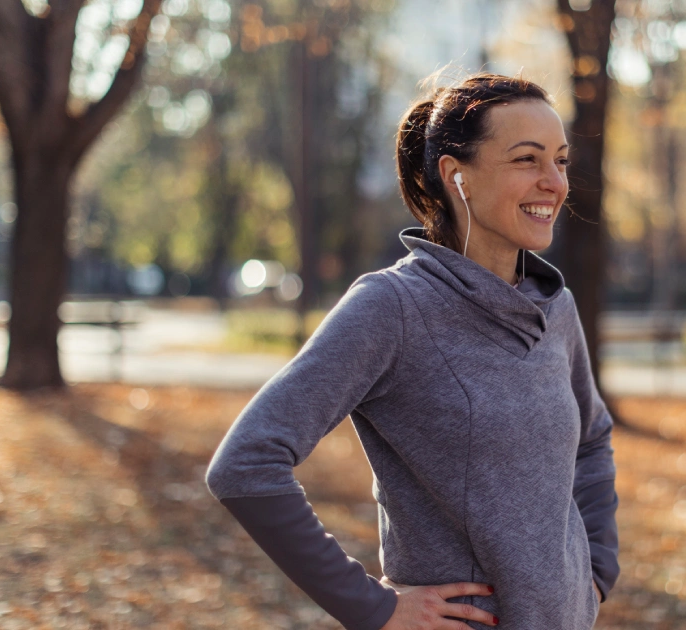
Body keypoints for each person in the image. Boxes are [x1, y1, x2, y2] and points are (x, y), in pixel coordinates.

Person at [205, 72, 619, 630]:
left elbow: (591, 440)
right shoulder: (393, 307)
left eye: (561, 161)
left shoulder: (554, 306)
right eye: (527, 160)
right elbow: (246, 463)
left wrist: (595, 572)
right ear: (457, 176)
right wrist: (372, 607)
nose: (554, 183)